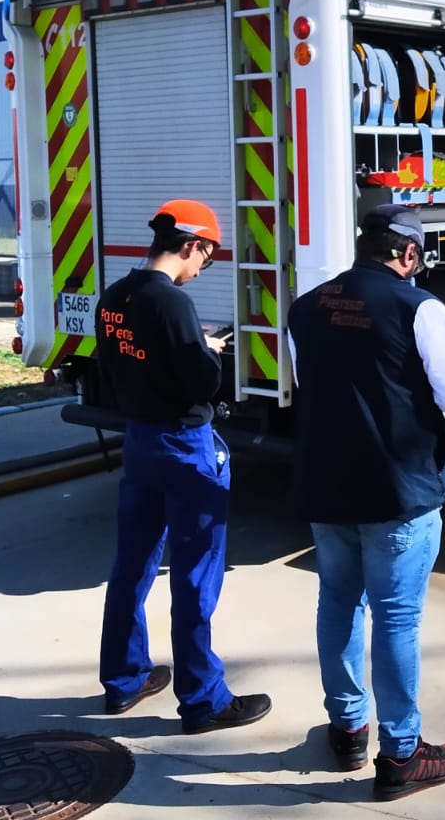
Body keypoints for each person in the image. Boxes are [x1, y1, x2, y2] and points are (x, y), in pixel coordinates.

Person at [287, 205, 445, 800]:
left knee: (338, 602)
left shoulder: (306, 307)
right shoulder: (420, 308)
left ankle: (348, 729)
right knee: (397, 617)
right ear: (409, 254)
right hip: (399, 490)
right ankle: (401, 755)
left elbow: (304, 382)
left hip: (327, 483)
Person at [96, 200, 272, 733]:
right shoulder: (171, 304)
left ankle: (125, 680)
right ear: (194, 245)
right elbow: (201, 381)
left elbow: (118, 364)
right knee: (195, 575)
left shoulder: (115, 296)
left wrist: (188, 349)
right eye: (206, 259)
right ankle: (203, 699)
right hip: (185, 445)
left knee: (132, 566)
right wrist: (207, 350)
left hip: (140, 443)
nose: (200, 270)